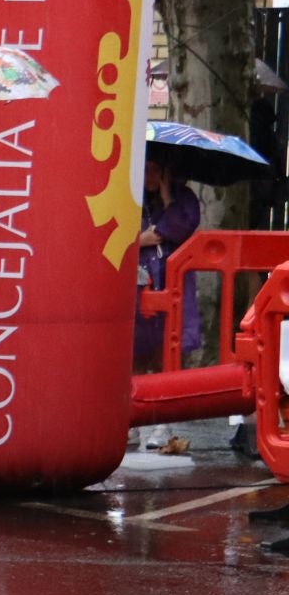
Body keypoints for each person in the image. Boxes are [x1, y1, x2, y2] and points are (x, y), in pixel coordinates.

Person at [134, 157, 202, 453]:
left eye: (156, 169)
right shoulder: (133, 198)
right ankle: (133, 421)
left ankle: (164, 421)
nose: (150, 175)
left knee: (167, 353)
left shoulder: (184, 198)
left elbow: (177, 228)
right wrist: (140, 240)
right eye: (146, 168)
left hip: (172, 285)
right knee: (134, 354)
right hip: (139, 285)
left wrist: (166, 198)